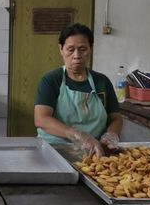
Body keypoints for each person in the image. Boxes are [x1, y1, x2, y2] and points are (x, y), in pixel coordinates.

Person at [34, 23, 122, 156]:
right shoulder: (51, 80)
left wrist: (111, 135)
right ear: (61, 49)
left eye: (82, 49)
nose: (77, 55)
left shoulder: (101, 81)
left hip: (95, 152)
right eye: (70, 49)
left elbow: (116, 118)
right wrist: (78, 135)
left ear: (90, 49)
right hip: (54, 150)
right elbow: (41, 119)